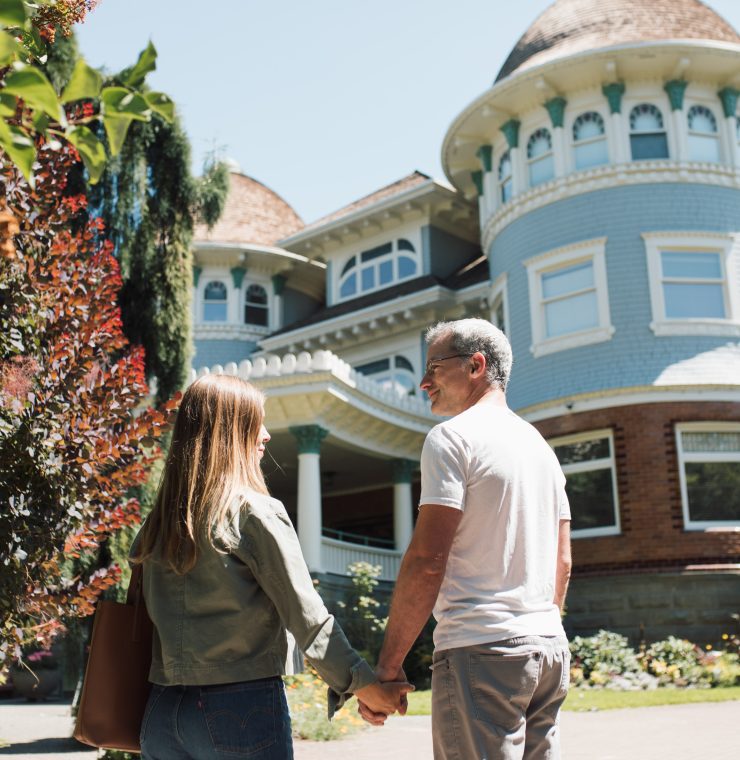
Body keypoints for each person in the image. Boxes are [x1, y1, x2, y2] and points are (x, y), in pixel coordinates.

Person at [131, 374, 411, 760]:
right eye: (254, 424)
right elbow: (308, 619)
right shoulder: (254, 512)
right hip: (240, 708)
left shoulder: (156, 525)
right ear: (230, 434)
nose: (265, 435)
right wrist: (365, 685)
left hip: (162, 713)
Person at [360, 318, 572, 760]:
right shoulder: (540, 448)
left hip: (482, 652)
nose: (423, 383)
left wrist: (388, 668)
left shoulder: (452, 439)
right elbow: (563, 561)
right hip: (549, 651)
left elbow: (427, 561)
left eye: (433, 368)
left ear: (476, 365)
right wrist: (541, 627)